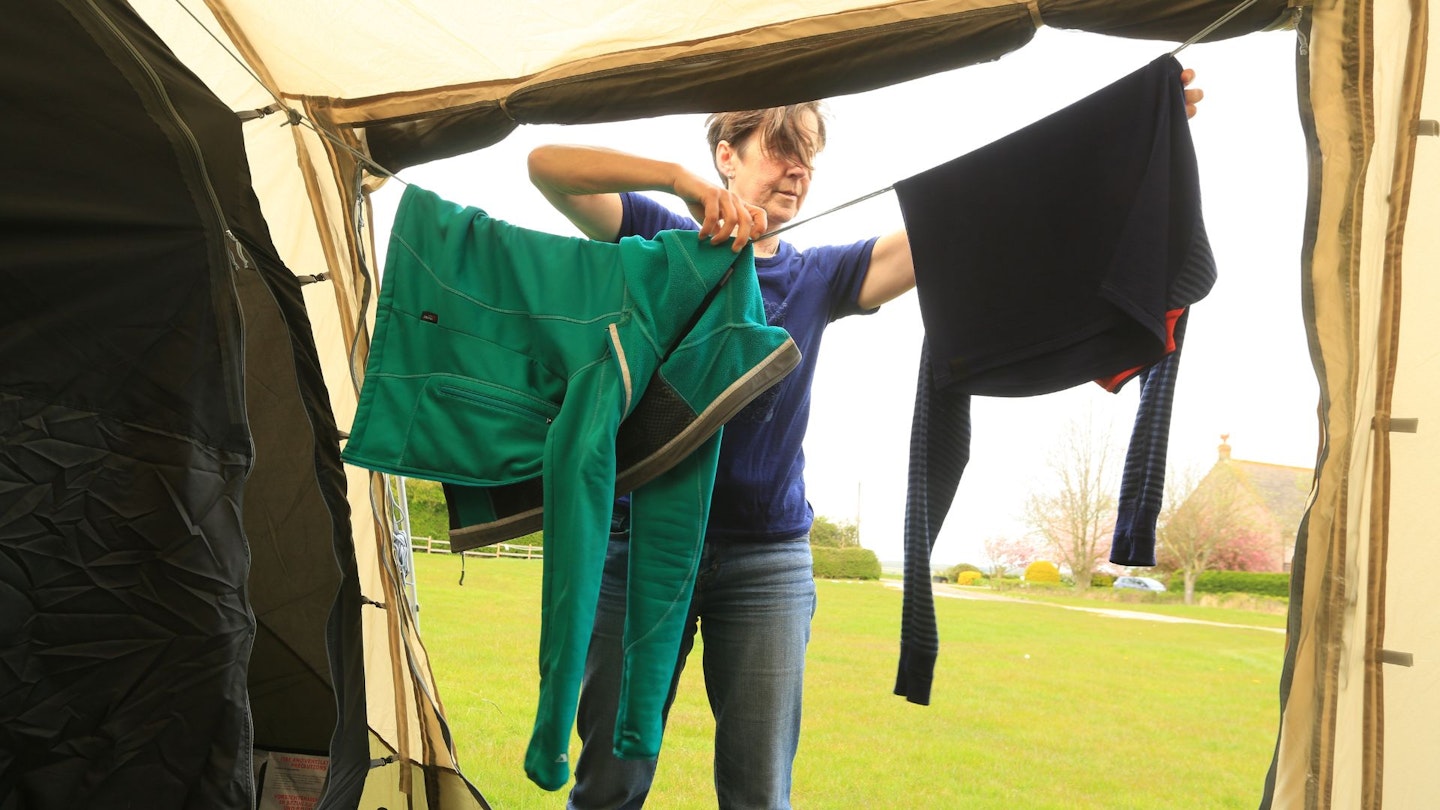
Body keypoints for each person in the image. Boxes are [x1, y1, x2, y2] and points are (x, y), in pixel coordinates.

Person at [528, 70, 1204, 810]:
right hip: (641, 555)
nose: (798, 170)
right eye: (781, 148)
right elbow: (546, 169)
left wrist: (1124, 139)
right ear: (727, 153)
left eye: (809, 156)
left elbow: (965, 221)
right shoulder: (656, 237)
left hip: (767, 563)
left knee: (759, 795)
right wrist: (676, 182)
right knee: (608, 788)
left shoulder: (822, 274)